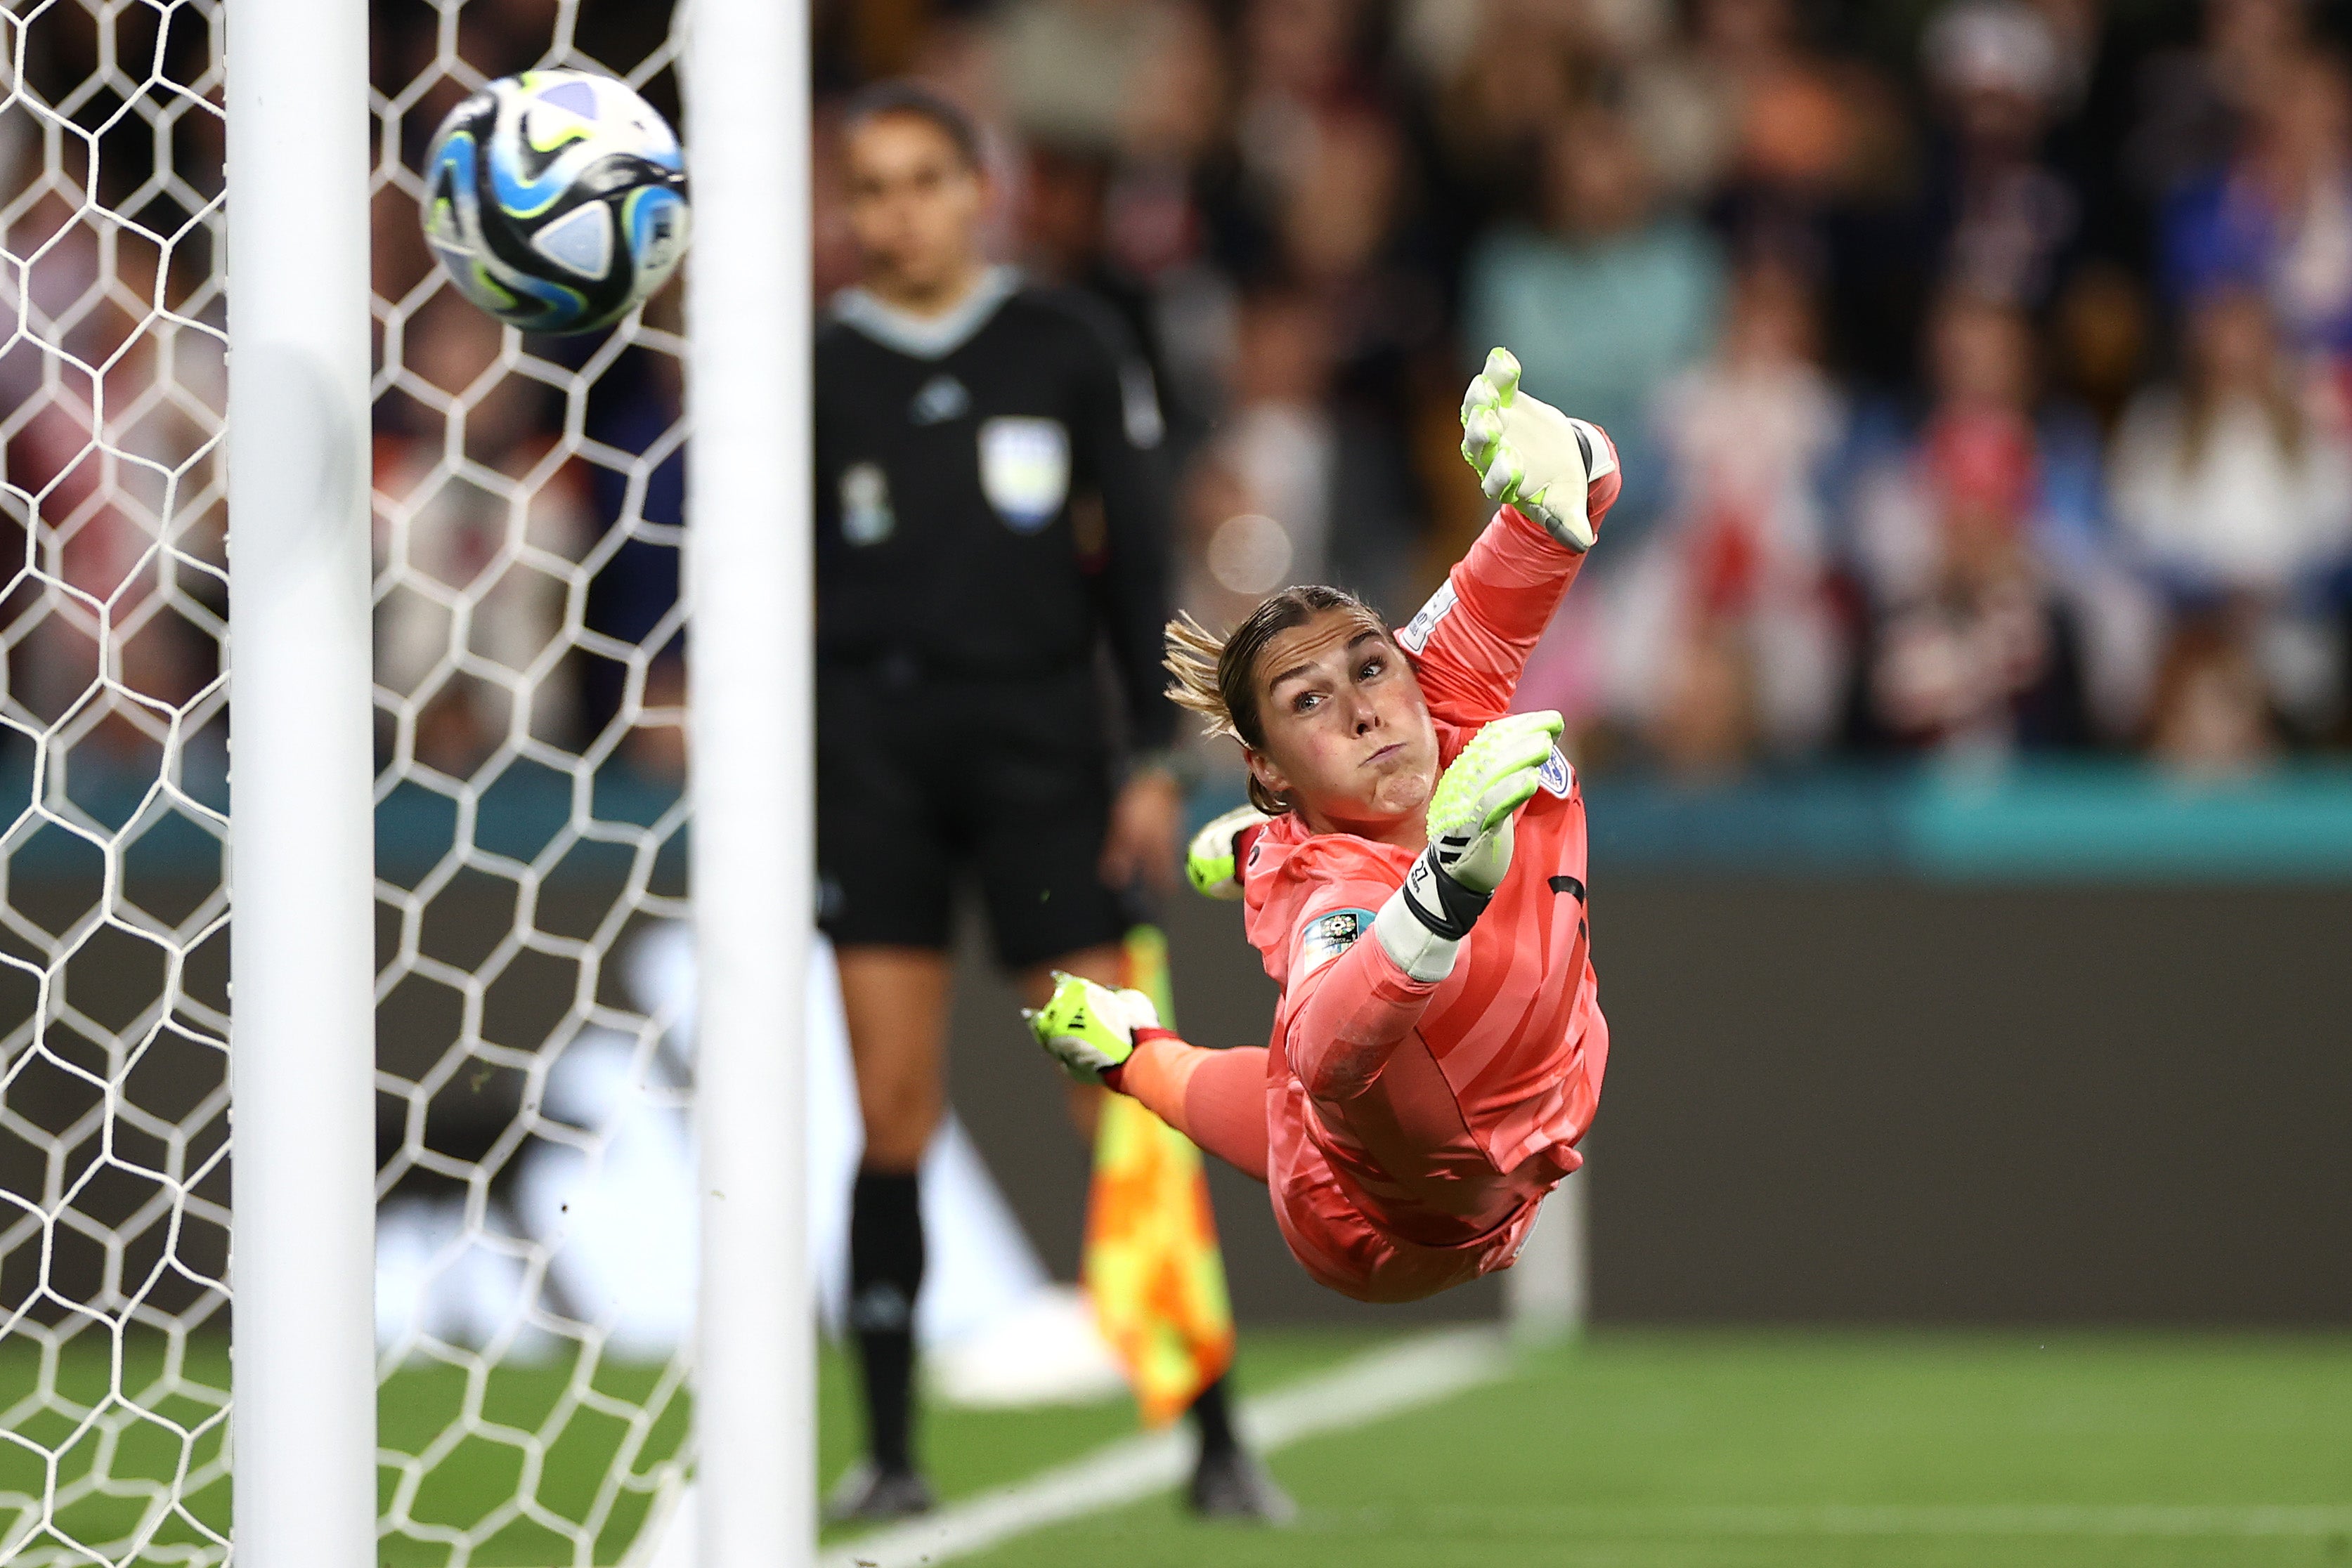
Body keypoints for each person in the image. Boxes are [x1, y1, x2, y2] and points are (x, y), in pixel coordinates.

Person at [813, 82, 1285, 1522]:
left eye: (922, 181)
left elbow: (1134, 564)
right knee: (892, 1108)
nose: (896, 212)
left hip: (1039, 756)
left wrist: (1148, 756)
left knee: (1126, 1091)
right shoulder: (816, 368)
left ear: (979, 189)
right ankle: (890, 1452)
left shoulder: (1067, 345)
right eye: (871, 187)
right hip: (873, 759)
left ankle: (1212, 1434)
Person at [1028, 350, 1616, 1304]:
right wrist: (1442, 893)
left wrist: (1576, 460)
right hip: (1388, 1230)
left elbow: (1566, 509)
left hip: (1539, 1095)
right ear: (1262, 764)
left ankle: (1249, 849)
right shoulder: (1336, 896)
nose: (1365, 709)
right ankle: (1134, 1052)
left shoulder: (1437, 681)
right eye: (1309, 703)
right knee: (1297, 1118)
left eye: (1369, 669)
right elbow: (1324, 1052)